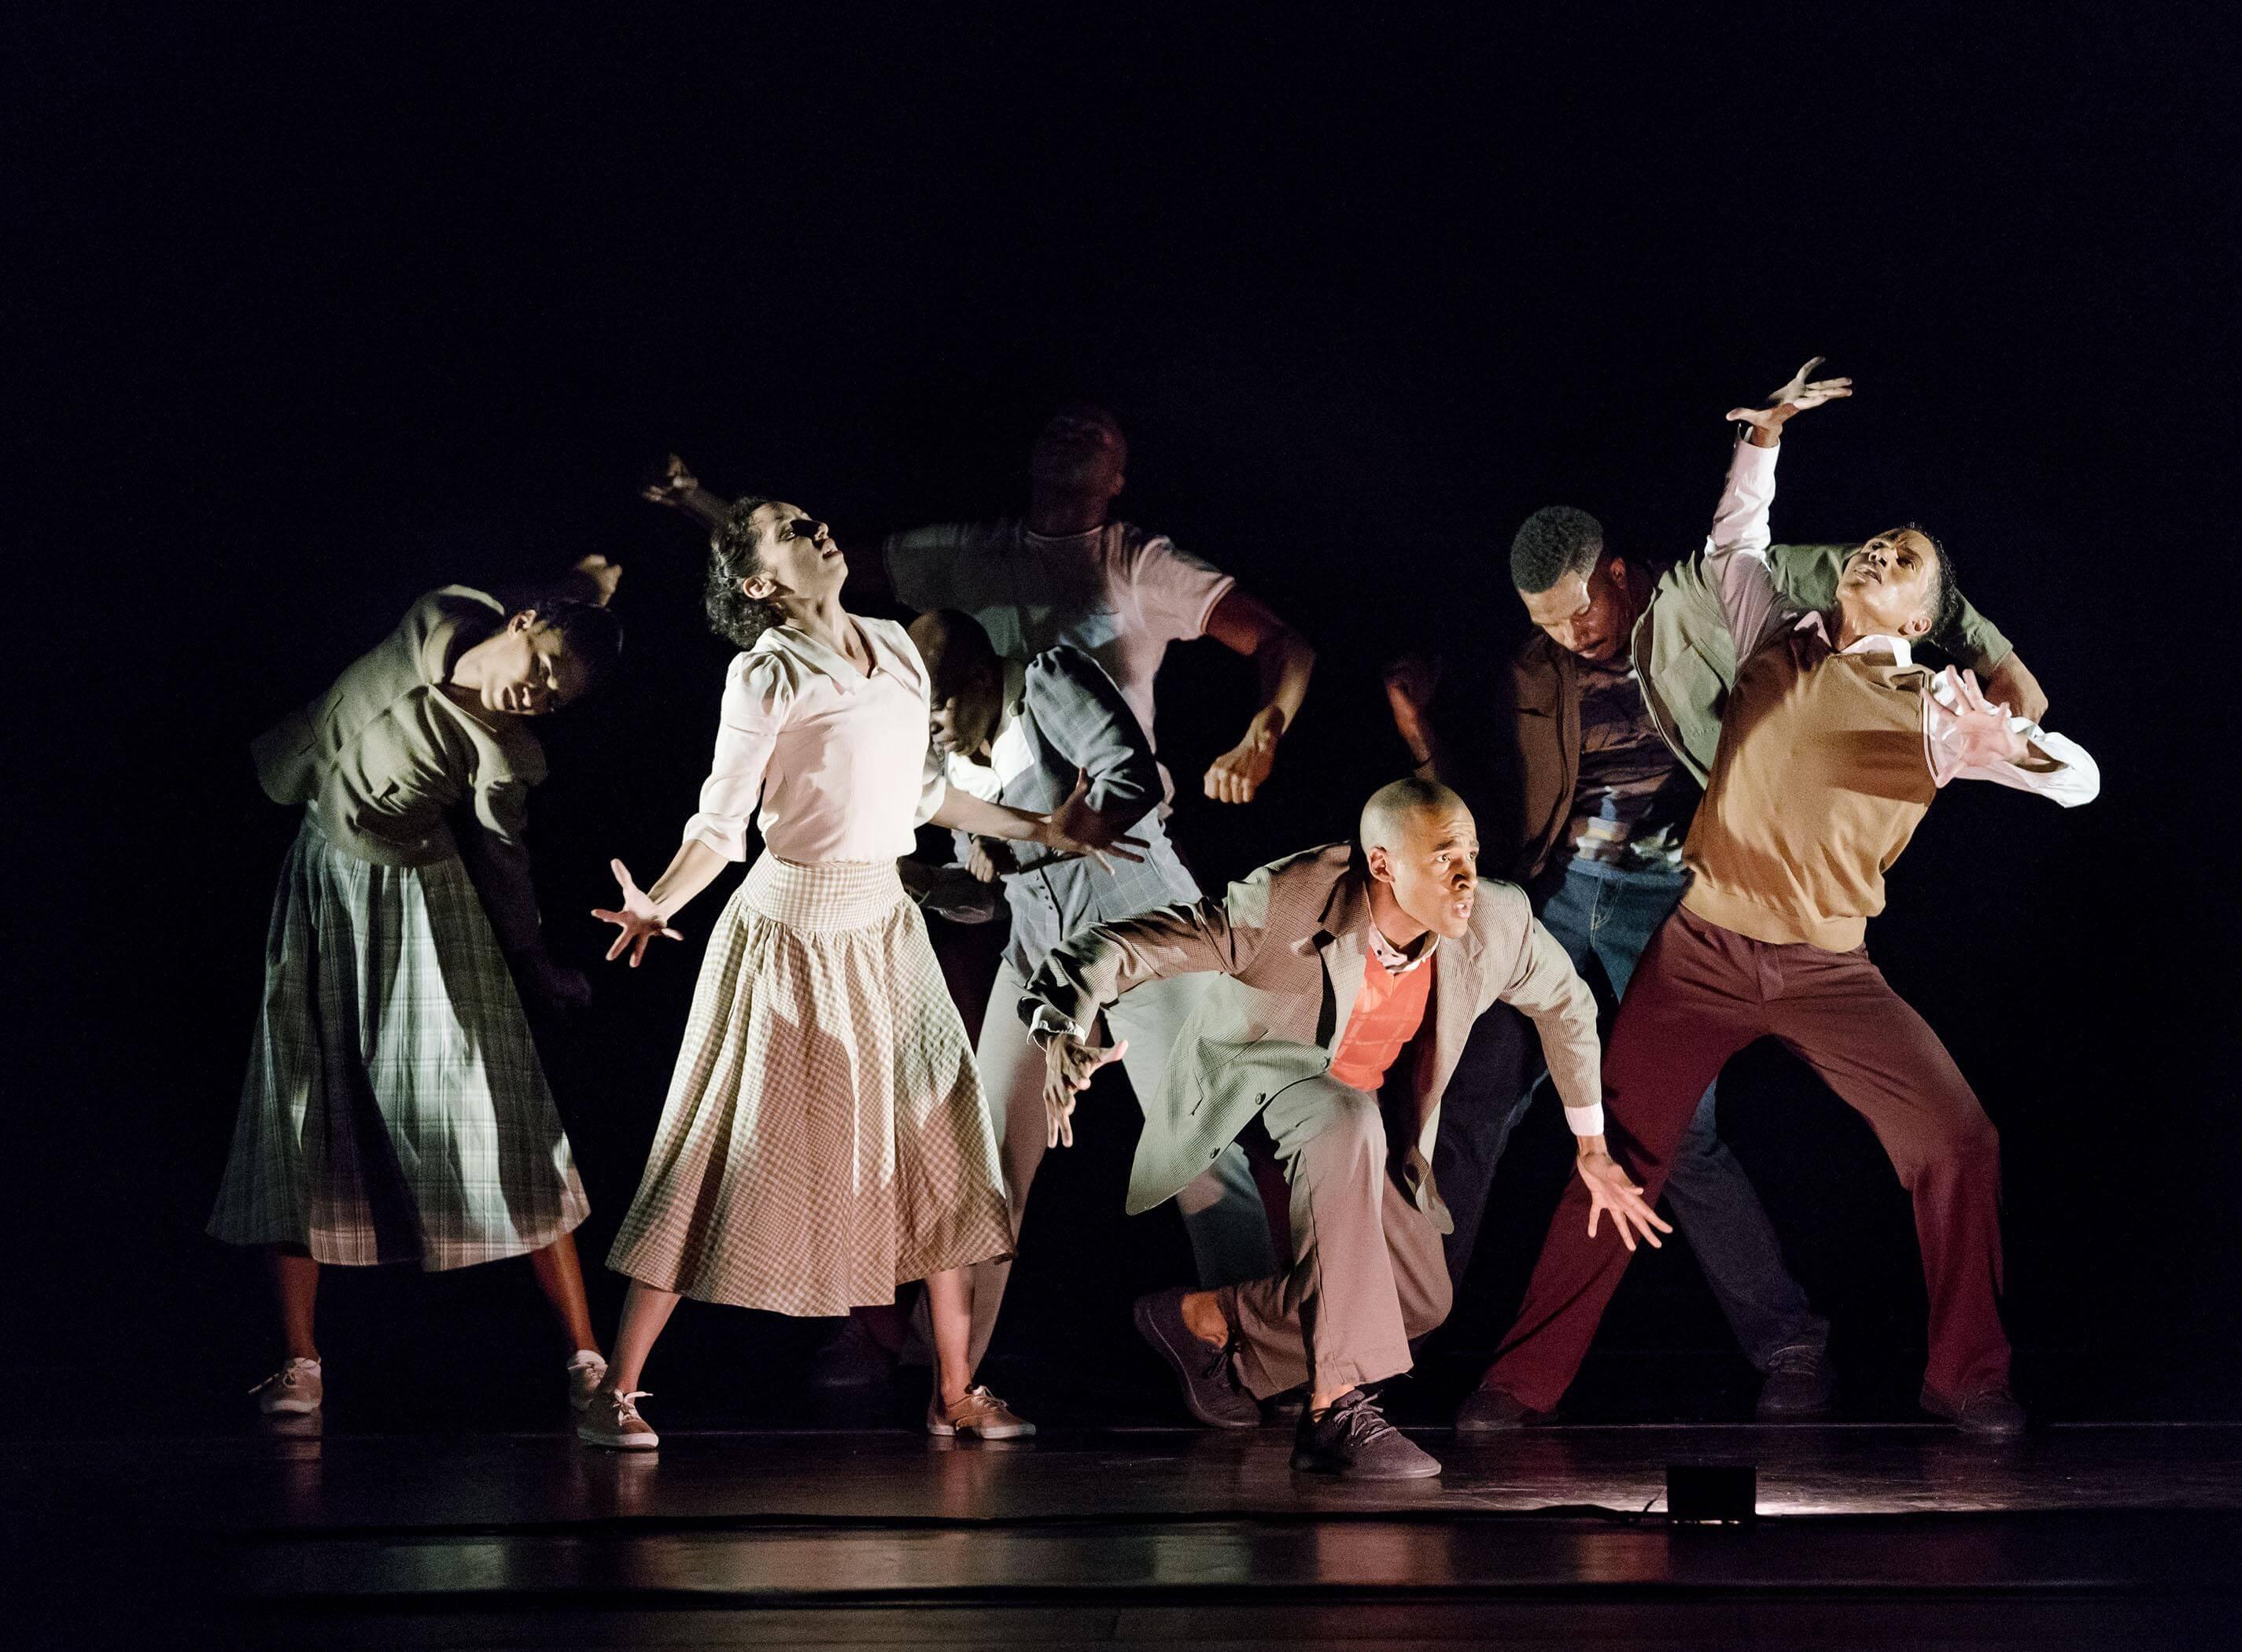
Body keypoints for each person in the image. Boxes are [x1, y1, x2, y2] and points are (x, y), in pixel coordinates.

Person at [1388, 359, 2048, 1418]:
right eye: (1543, 625)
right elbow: (1737, 536)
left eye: (1575, 615)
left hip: (1804, 953)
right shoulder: (1657, 645)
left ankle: (1958, 1376)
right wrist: (1763, 439)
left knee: (1952, 1141)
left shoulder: (1854, 660)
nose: (1564, 639)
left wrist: (2012, 722)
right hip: (1678, 939)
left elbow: (1933, 614)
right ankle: (1512, 1379)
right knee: (1605, 1149)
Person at [578, 500, 1138, 1451]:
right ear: (759, 584)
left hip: (886, 925)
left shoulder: (892, 642)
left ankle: (955, 1390)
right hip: (792, 931)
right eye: (790, 531)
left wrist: (1042, 828)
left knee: (945, 1144)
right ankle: (617, 1392)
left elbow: (921, 790)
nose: (818, 529)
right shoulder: (765, 672)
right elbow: (721, 821)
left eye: (811, 518)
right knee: (722, 1148)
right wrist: (659, 904)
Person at [1022, 778, 1605, 1479]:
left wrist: (1592, 1144)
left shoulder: (1495, 919)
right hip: (1263, 1081)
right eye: (1447, 857)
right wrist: (1062, 1019)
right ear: (1384, 865)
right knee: (1345, 1116)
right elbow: (1133, 944)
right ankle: (1334, 1411)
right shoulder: (1290, 902)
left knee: (1420, 1300)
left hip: (1363, 1107)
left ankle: (1206, 1322)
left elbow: (1568, 1006)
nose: (1467, 878)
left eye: (1473, 854)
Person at [210, 584, 625, 1418]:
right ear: (521, 623)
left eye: (557, 699)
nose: (539, 698)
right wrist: (583, 587)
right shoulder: (440, 612)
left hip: (419, 900)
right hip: (322, 880)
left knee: (496, 1109)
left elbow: (507, 865)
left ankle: (587, 1357)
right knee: (299, 1105)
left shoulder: (502, 751)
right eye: (543, 671)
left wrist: (535, 961)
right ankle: (300, 1361)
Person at [906, 610, 1277, 1372]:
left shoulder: (1048, 680)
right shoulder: (948, 761)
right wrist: (927, 883)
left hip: (1143, 932)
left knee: (1196, 1148)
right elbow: (985, 899)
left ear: (980, 679)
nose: (933, 727)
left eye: (939, 705)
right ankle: (952, 1375)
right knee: (994, 1161)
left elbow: (1131, 775)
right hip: (1041, 955)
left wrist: (1042, 834)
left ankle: (1259, 1361)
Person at [644, 403, 1318, 806]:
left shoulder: (1137, 563)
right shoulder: (970, 551)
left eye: (1097, 433)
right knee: (934, 635)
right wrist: (692, 500)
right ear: (1030, 460)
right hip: (992, 822)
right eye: (1060, 427)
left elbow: (1283, 642)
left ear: (1118, 480)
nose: (1074, 430)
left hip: (1108, 809)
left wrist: (1264, 731)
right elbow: (808, 561)